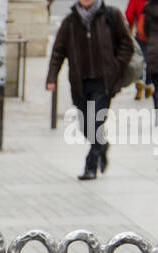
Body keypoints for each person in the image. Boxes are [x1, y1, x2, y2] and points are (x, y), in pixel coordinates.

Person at [46, 0, 134, 180]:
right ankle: (102, 145)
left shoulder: (111, 16)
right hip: (80, 83)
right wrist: (51, 78)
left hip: (104, 81)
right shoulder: (70, 21)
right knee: (85, 126)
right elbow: (58, 51)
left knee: (96, 123)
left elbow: (127, 43)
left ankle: (90, 165)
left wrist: (116, 66)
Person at [125, 0, 154, 97]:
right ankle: (149, 84)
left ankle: (140, 80)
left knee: (140, 56)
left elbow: (129, 15)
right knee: (151, 58)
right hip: (153, 32)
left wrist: (130, 29)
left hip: (140, 31)